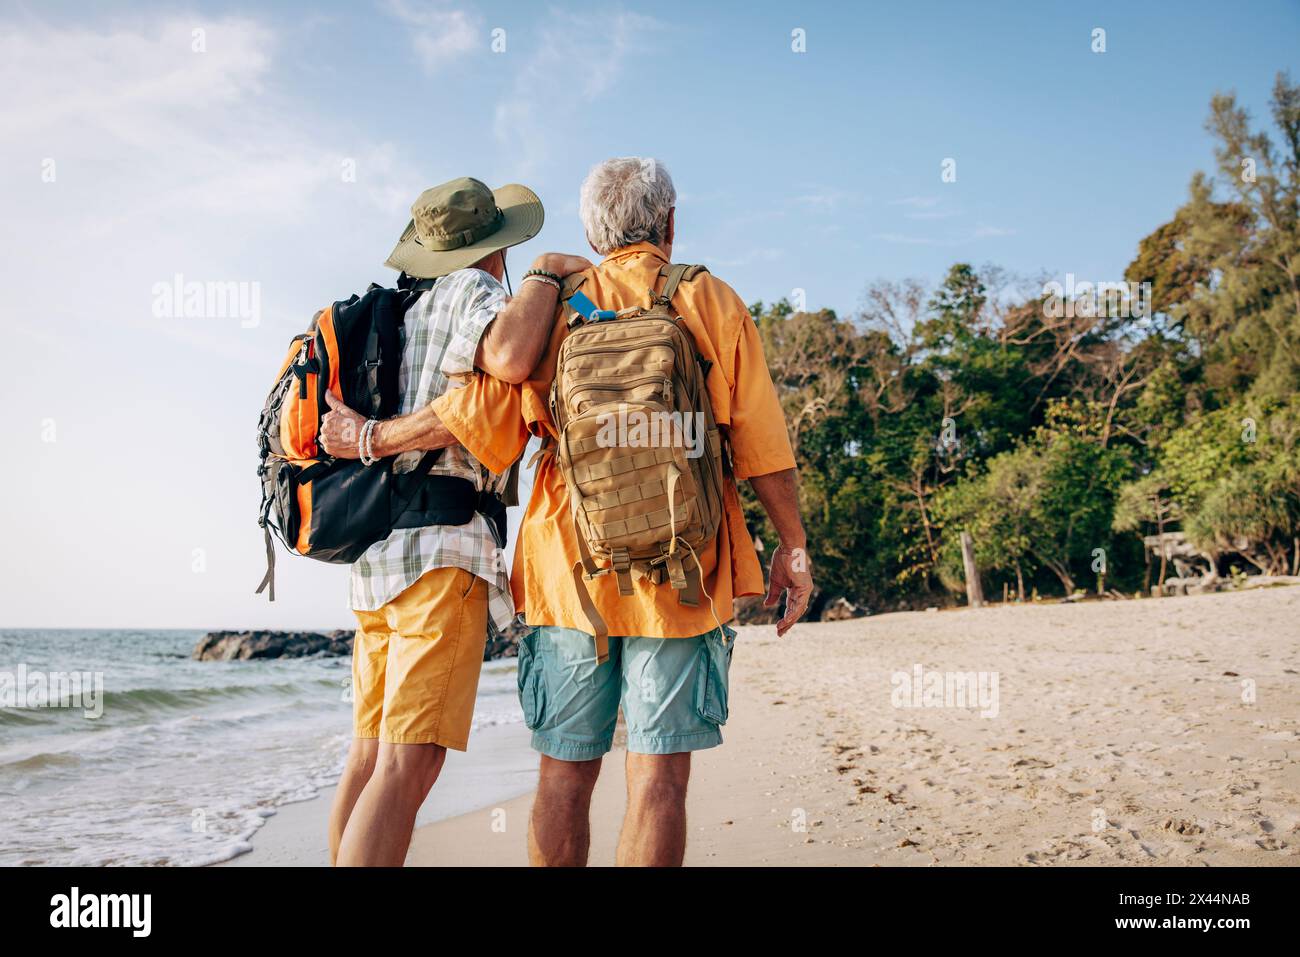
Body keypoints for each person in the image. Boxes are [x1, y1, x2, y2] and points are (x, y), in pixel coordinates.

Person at [428, 158, 814, 866]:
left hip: (568, 575)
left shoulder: (551, 307)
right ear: (669, 222)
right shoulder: (710, 298)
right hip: (684, 575)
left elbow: (485, 428)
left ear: (591, 232)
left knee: (564, 777)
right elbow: (762, 444)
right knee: (659, 780)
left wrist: (367, 437)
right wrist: (792, 547)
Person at [318, 176, 590, 866]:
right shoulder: (474, 293)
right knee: (408, 770)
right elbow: (507, 356)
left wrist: (376, 438)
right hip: (442, 555)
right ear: (496, 248)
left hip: (376, 557)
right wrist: (548, 276)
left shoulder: (401, 309)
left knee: (369, 758)